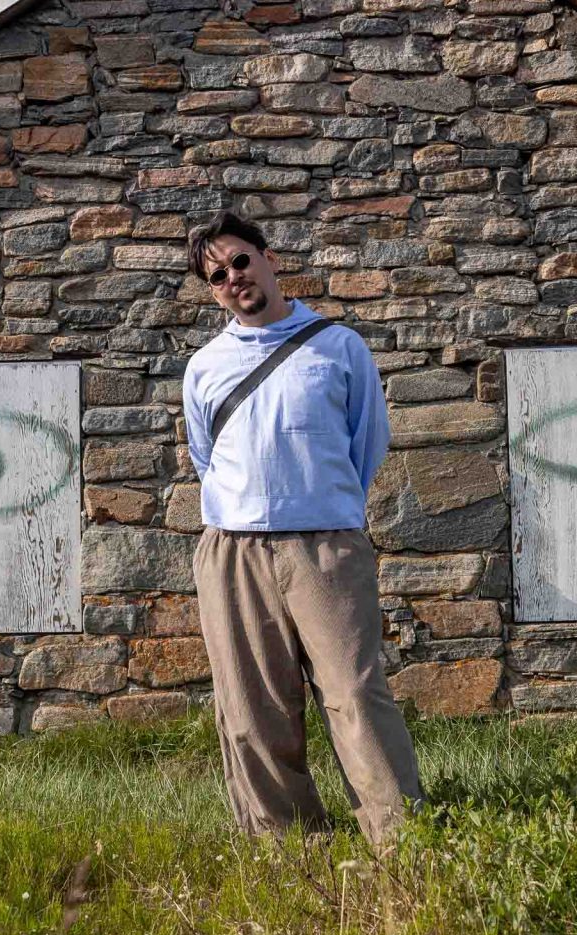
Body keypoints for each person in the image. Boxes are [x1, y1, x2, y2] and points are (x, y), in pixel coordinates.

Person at [180, 211, 425, 847]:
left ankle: (398, 838)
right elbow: (206, 458)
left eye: (239, 261)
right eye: (216, 275)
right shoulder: (204, 367)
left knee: (354, 693)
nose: (233, 278)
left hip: (326, 546)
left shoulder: (338, 346)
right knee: (251, 709)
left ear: (268, 257)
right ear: (211, 291)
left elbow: (365, 445)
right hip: (234, 550)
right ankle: (287, 845)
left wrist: (319, 501)